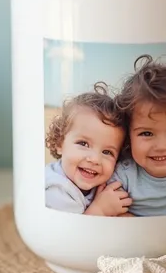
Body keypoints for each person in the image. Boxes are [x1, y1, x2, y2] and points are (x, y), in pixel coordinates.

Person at [109, 54, 166, 216]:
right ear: (128, 135)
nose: (161, 146)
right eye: (147, 133)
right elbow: (112, 212)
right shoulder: (122, 174)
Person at [44, 83, 132, 216]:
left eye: (107, 152)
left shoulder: (100, 181)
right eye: (83, 144)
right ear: (60, 143)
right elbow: (69, 234)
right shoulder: (56, 189)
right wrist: (100, 209)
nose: (95, 159)